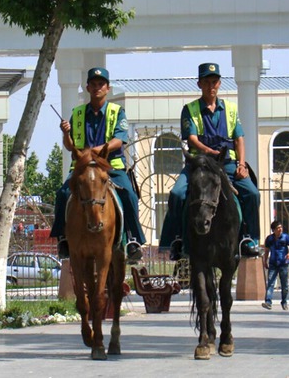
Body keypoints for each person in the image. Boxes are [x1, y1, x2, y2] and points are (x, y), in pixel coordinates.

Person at [159, 63, 261, 260]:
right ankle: (177, 239)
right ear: (199, 84)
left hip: (227, 163)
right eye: (206, 82)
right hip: (199, 163)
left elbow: (239, 138)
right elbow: (192, 139)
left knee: (252, 193)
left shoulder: (230, 109)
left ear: (220, 84)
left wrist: (241, 164)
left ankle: (249, 239)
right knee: (177, 193)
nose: (211, 86)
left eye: (214, 82)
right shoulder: (189, 109)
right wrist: (209, 152)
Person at [50, 67, 145, 262]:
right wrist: (66, 133)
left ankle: (134, 240)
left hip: (111, 166)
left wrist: (96, 151)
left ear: (107, 88)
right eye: (93, 85)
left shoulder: (117, 112)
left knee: (128, 193)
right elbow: (70, 147)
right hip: (83, 167)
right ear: (87, 88)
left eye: (101, 84)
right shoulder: (77, 113)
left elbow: (119, 140)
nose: (97, 88)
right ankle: (63, 239)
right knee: (63, 194)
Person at [261, 220, 289, 310]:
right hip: (273, 263)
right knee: (270, 283)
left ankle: (284, 301)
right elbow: (267, 250)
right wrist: (265, 261)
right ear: (273, 230)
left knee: (285, 285)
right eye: (278, 228)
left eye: (281, 227)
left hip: (283, 263)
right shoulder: (269, 239)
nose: (280, 229)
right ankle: (268, 302)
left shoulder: (285, 237)